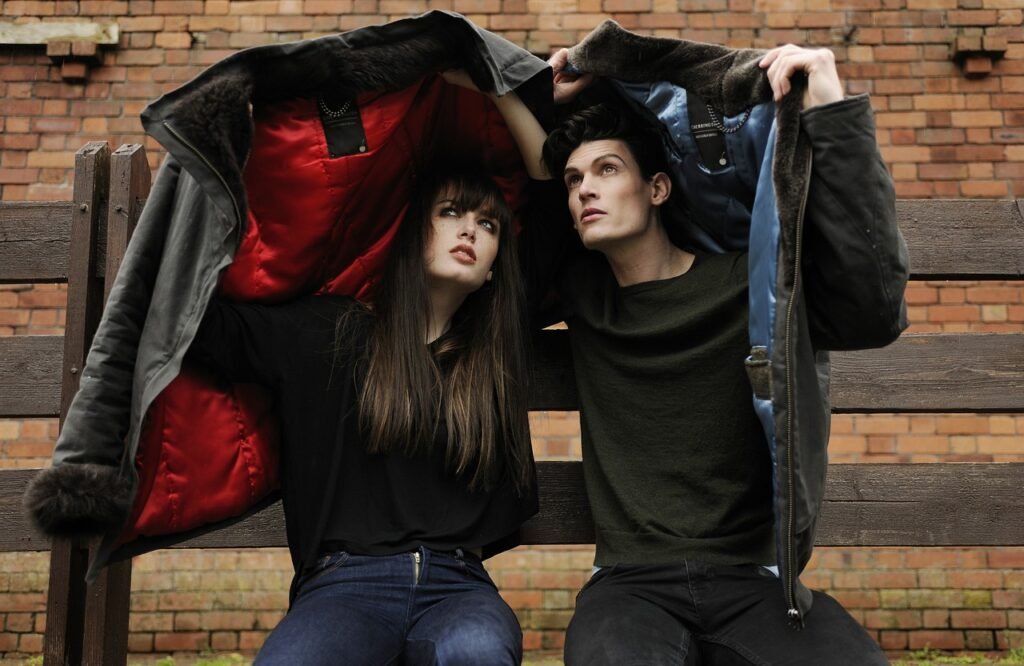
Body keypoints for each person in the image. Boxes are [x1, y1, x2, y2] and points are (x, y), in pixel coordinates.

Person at [523, 38, 909, 665]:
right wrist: (543, 98)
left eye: (606, 170)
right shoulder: (581, 295)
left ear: (658, 189)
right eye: (573, 180)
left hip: (750, 578)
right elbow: (503, 199)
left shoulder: (748, 286)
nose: (583, 190)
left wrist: (831, 104)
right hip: (629, 584)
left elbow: (875, 307)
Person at [185, 169, 537, 665]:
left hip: (458, 589)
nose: (469, 231)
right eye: (451, 212)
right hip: (343, 587)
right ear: (412, 232)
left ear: (495, 267)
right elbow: (203, 327)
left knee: (476, 651)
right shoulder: (329, 333)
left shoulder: (489, 367)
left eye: (488, 225)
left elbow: (560, 219)